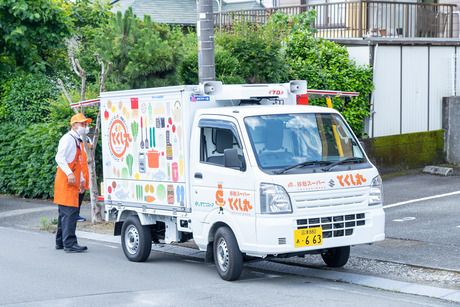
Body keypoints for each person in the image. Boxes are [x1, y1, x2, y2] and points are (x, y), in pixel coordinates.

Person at [54, 113, 91, 253]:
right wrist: (69, 173)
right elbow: (59, 157)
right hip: (67, 181)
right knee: (70, 213)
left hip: (72, 181)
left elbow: (79, 164)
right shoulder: (68, 139)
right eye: (82, 124)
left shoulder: (77, 140)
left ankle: (60, 242)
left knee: (65, 213)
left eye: (86, 124)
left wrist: (81, 180)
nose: (85, 126)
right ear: (74, 125)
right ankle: (69, 244)